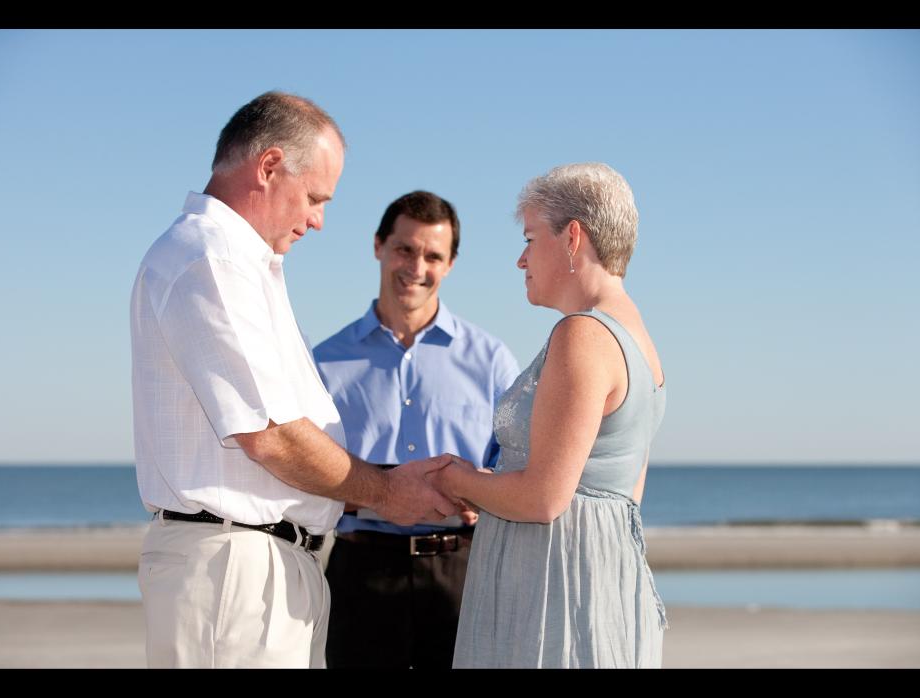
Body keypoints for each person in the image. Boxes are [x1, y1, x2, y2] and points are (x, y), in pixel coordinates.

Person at [130, 92, 457, 669]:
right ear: (269, 166)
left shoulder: (242, 266)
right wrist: (387, 491)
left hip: (262, 569)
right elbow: (272, 435)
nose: (317, 220)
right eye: (314, 198)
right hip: (234, 573)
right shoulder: (212, 260)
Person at [433, 163, 668, 668]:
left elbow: (543, 499)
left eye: (531, 238)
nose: (521, 260)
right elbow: (626, 493)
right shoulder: (642, 342)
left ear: (572, 238)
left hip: (552, 584)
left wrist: (459, 478)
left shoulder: (583, 335)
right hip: (601, 574)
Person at [312, 190, 520, 668]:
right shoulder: (324, 362)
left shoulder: (490, 360)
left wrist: (486, 493)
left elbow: (518, 462)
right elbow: (306, 468)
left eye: (432, 255)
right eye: (405, 249)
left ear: (449, 264)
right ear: (378, 246)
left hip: (463, 571)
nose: (416, 266)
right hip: (360, 571)